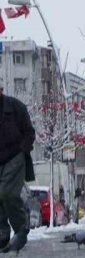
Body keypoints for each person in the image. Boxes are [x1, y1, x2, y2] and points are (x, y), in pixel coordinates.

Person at [0, 86, 34, 251]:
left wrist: (23, 149)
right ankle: (2, 234)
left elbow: (29, 132)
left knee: (7, 193)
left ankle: (20, 229)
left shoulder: (15, 107)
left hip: (14, 156)